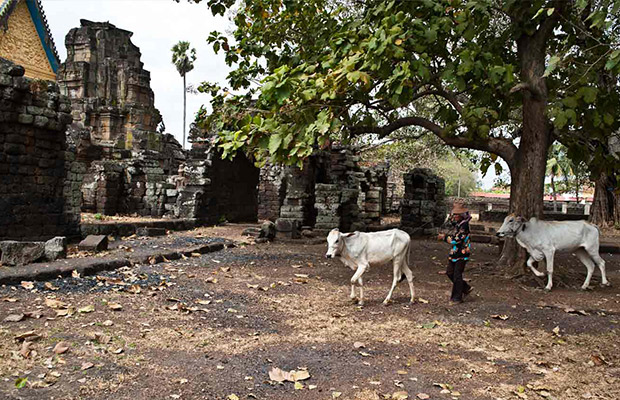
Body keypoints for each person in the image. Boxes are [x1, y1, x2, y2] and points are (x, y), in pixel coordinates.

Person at [437, 203, 473, 304]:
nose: (454, 216)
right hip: (454, 253)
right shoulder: (458, 223)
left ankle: (457, 298)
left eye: (456, 215)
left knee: (457, 275)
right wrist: (449, 217)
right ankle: (465, 288)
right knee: (449, 272)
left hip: (462, 253)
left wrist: (444, 237)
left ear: (461, 215)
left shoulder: (464, 226)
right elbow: (450, 223)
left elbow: (456, 240)